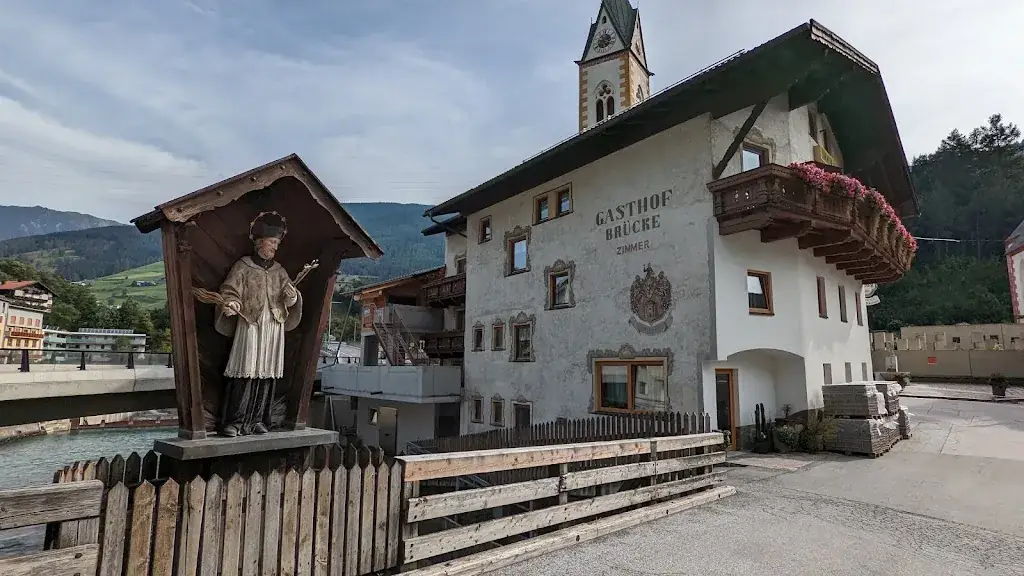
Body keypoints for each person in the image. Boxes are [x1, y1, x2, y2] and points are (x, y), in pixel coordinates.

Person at [214, 211, 303, 437]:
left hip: (274, 326)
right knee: (245, 370)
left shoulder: (279, 270)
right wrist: (232, 303)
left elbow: (290, 297)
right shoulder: (242, 266)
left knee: (267, 372)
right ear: (259, 243)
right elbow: (229, 290)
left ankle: (258, 421)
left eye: (276, 243)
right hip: (250, 323)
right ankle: (234, 421)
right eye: (272, 242)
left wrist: (292, 297)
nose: (274, 247)